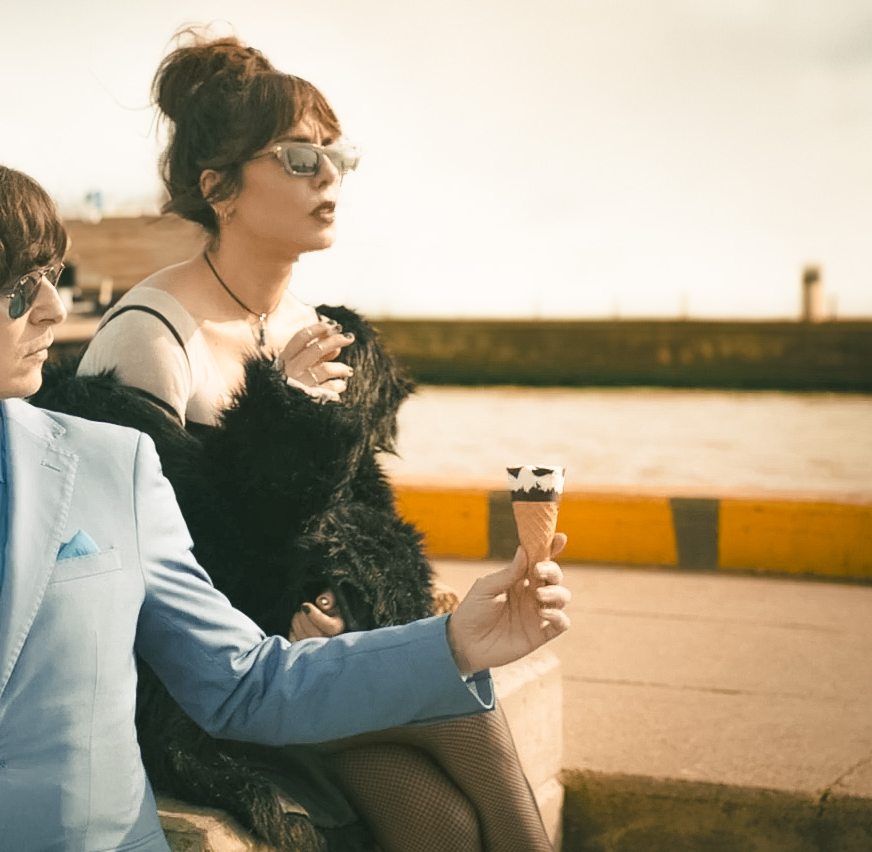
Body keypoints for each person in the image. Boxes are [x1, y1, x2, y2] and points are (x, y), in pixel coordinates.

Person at [0, 131, 572, 852]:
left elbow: (242, 683)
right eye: (17, 290)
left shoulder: (113, 465)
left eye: (51, 276)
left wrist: (454, 641)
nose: (54, 309)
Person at [57, 33, 563, 852]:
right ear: (218, 187)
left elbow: (362, 527)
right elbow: (141, 558)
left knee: (442, 820)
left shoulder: (320, 332)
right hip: (196, 681)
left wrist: (343, 603)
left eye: (337, 154)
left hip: (316, 654)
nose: (329, 176)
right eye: (299, 157)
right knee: (462, 717)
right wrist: (281, 422)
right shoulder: (150, 333)